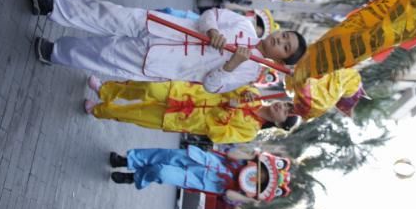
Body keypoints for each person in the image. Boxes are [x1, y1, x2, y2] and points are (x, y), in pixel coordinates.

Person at [29, 0, 307, 92]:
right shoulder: (247, 26)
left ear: (282, 59)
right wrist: (211, 30)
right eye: (285, 36)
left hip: (162, 62)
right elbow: (210, 14)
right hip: (164, 26)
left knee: (103, 54)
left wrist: (230, 65)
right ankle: (52, 5)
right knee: (108, 13)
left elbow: (212, 86)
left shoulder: (249, 73)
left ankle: (53, 52)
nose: (280, 41)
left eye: (285, 47)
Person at [83, 77, 299, 144]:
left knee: (134, 114)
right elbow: (228, 85)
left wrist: (229, 111)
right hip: (187, 93)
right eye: (287, 104)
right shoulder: (255, 96)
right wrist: (242, 95)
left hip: (182, 119)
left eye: (286, 113)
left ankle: (100, 110)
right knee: (147, 88)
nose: (283, 107)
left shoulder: (249, 132)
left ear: (279, 124)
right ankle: (106, 90)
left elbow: (216, 134)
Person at [107, 146, 291, 206]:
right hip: (200, 159)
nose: (258, 178)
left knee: (162, 172)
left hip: (197, 179)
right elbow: (231, 153)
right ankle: (126, 161)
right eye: (262, 174)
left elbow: (227, 196)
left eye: (262, 182)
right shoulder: (246, 161)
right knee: (163, 155)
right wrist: (253, 156)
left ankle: (134, 178)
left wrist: (251, 199)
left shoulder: (242, 195)